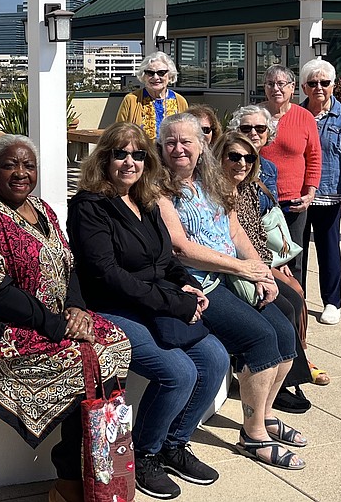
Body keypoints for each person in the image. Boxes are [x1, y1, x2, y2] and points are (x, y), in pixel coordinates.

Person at [0, 135, 132, 502]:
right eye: (10, 165)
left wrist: (76, 309)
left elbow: (70, 266)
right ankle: (69, 479)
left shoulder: (43, 208)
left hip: (55, 316)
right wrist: (56, 325)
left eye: (28, 165)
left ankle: (91, 470)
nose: (20, 173)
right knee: (82, 360)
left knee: (114, 343)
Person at [67, 123, 227, 500]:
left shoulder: (146, 200)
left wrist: (188, 283)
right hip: (113, 308)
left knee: (215, 358)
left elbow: (165, 257)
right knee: (178, 372)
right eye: (120, 153)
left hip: (155, 301)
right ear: (105, 158)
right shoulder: (90, 207)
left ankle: (175, 443)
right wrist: (176, 302)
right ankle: (146, 453)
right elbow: (108, 276)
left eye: (138, 154)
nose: (129, 162)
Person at [156, 112, 307, 471]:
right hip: (200, 284)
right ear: (161, 148)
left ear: (202, 144)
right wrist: (241, 268)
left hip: (233, 277)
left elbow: (236, 232)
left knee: (285, 335)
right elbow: (179, 247)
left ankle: (266, 414)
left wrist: (261, 273)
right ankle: (253, 435)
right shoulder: (160, 189)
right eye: (170, 142)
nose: (178, 148)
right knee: (259, 340)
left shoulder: (213, 182)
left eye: (186, 141)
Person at [229, 104, 330, 387]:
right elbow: (238, 227)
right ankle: (290, 370)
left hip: (262, 252)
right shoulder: (228, 164)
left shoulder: (268, 168)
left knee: (297, 292)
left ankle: (300, 357)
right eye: (245, 128)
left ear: (268, 133)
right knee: (291, 298)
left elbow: (263, 220)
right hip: (240, 255)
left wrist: (277, 259)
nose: (253, 133)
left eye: (259, 129)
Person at [213, 131, 314, 415]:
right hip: (229, 272)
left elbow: (256, 234)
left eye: (248, 158)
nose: (242, 163)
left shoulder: (248, 188)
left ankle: (289, 377)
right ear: (218, 157)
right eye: (234, 156)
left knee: (294, 298)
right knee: (284, 308)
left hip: (255, 263)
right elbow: (229, 242)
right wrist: (260, 270)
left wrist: (268, 266)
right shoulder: (215, 192)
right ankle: (277, 385)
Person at [300, 59, 341, 326]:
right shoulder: (296, 114)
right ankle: (296, 298)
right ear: (304, 87)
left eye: (324, 83)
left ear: (333, 85)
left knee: (328, 251)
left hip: (329, 194)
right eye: (313, 83)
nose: (319, 88)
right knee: (296, 251)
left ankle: (332, 302)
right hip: (299, 194)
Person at [259, 64, 321, 276]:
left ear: (292, 87)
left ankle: (297, 304)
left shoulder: (304, 117)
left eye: (281, 84)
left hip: (293, 201)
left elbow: (314, 157)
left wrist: (310, 192)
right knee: (264, 256)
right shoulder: (256, 116)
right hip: (261, 199)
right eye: (270, 84)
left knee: (293, 259)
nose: (276, 88)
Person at [116, 51, 189, 139]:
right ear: (143, 76)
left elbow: (187, 132)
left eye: (161, 73)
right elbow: (119, 132)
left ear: (169, 76)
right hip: (142, 152)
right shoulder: (131, 100)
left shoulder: (180, 101)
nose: (155, 77)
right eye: (150, 73)